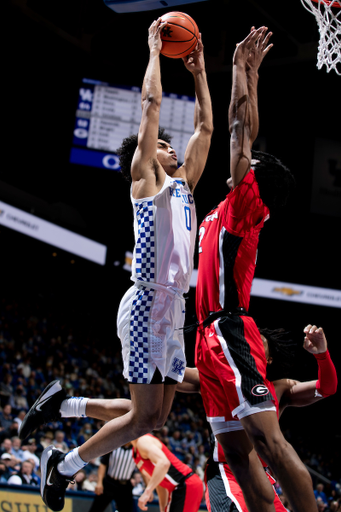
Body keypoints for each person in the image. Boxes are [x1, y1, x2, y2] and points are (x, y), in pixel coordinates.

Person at [18, 16, 213, 512]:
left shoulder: (186, 185)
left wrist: (200, 71)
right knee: (146, 418)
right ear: (149, 158)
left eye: (173, 145)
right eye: (165, 144)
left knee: (155, 418)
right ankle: (62, 463)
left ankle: (65, 407)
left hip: (174, 309)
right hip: (148, 299)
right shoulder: (145, 180)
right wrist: (154, 50)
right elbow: (150, 107)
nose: (172, 146)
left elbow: (207, 127)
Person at [194, 26, 320, 512]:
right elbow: (240, 135)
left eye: (250, 164)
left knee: (270, 444)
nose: (240, 164)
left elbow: (240, 129)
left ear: (255, 179)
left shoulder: (247, 205)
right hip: (207, 339)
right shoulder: (222, 209)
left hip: (229, 328)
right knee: (237, 456)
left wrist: (241, 73)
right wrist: (246, 74)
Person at [179, 324, 337, 512]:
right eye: (246, 341)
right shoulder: (214, 379)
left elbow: (327, 388)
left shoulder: (280, 388)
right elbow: (170, 373)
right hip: (228, 471)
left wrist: (322, 354)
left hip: (263, 477)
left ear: (268, 359)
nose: (250, 344)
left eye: (257, 342)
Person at [131, 433, 203, 512]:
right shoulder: (134, 452)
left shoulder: (143, 440)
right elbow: (160, 483)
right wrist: (163, 509)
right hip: (182, 486)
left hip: (185, 483)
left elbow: (164, 463)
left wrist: (147, 491)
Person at [87, 443, 136, 512]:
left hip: (125, 486)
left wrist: (148, 488)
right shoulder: (114, 445)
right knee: (96, 509)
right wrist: (99, 482)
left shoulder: (137, 449)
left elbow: (143, 469)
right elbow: (103, 464)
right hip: (109, 483)